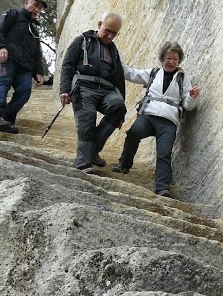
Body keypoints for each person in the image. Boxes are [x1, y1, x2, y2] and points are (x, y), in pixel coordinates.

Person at [111, 41, 200, 197]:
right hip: (148, 116)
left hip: (168, 121)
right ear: (162, 58)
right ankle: (124, 164)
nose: (171, 62)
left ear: (179, 61)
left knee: (164, 153)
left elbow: (188, 105)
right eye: (168, 58)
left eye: (175, 59)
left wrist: (192, 97)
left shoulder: (183, 78)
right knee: (133, 133)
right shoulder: (153, 73)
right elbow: (131, 73)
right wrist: (116, 57)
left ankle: (162, 187)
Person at [58, 12, 127, 171]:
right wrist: (64, 90)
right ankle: (83, 163)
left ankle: (93, 151)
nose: (110, 36)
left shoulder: (114, 51)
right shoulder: (81, 41)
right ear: (99, 24)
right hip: (83, 88)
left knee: (118, 106)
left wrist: (121, 113)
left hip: (106, 90)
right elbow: (67, 66)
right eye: (107, 30)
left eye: (114, 33)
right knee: (87, 119)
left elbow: (119, 79)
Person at [0, 0, 48, 133]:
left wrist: (39, 71)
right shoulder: (12, 14)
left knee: (25, 90)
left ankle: (6, 118)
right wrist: (1, 46)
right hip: (6, 59)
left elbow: (37, 53)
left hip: (25, 66)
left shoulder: (34, 29)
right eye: (35, 5)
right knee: (2, 83)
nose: (37, 10)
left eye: (40, 8)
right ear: (26, 2)